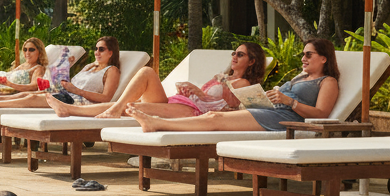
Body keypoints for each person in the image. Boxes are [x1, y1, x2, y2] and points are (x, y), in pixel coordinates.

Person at [128, 39, 341, 133]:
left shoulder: (327, 81)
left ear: (323, 58)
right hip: (269, 110)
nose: (303, 57)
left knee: (215, 118)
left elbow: (322, 112)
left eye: (308, 54)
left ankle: (157, 124)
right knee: (212, 118)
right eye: (303, 54)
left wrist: (289, 101)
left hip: (286, 118)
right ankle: (156, 123)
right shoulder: (298, 78)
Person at [47, 42, 267, 120]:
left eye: (240, 55)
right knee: (146, 73)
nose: (234, 57)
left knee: (129, 106)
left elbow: (229, 108)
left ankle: (71, 110)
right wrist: (190, 90)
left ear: (251, 62)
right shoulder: (223, 76)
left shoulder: (245, 85)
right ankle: (71, 109)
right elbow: (205, 96)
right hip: (182, 103)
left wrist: (198, 94)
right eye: (234, 53)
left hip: (194, 113)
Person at [0, 36, 123, 109]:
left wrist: (76, 90)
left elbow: (106, 98)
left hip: (78, 102)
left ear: (111, 52)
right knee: (23, 95)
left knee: (31, 97)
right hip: (67, 94)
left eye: (101, 49)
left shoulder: (112, 70)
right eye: (96, 49)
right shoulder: (89, 67)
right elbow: (71, 83)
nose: (96, 52)